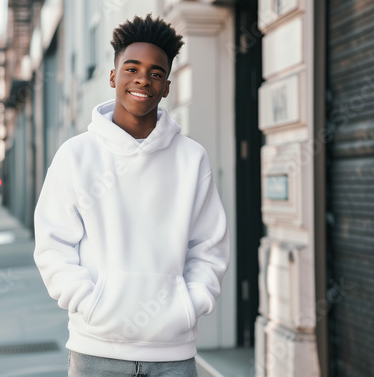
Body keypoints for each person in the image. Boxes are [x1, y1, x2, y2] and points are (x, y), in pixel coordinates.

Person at [34, 14, 230, 377]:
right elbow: (53, 245)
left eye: (156, 73)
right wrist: (88, 304)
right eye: (132, 68)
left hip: (173, 353)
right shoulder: (76, 155)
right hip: (96, 350)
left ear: (167, 87)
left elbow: (209, 246)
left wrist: (191, 302)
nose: (143, 78)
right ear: (113, 76)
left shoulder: (191, 158)